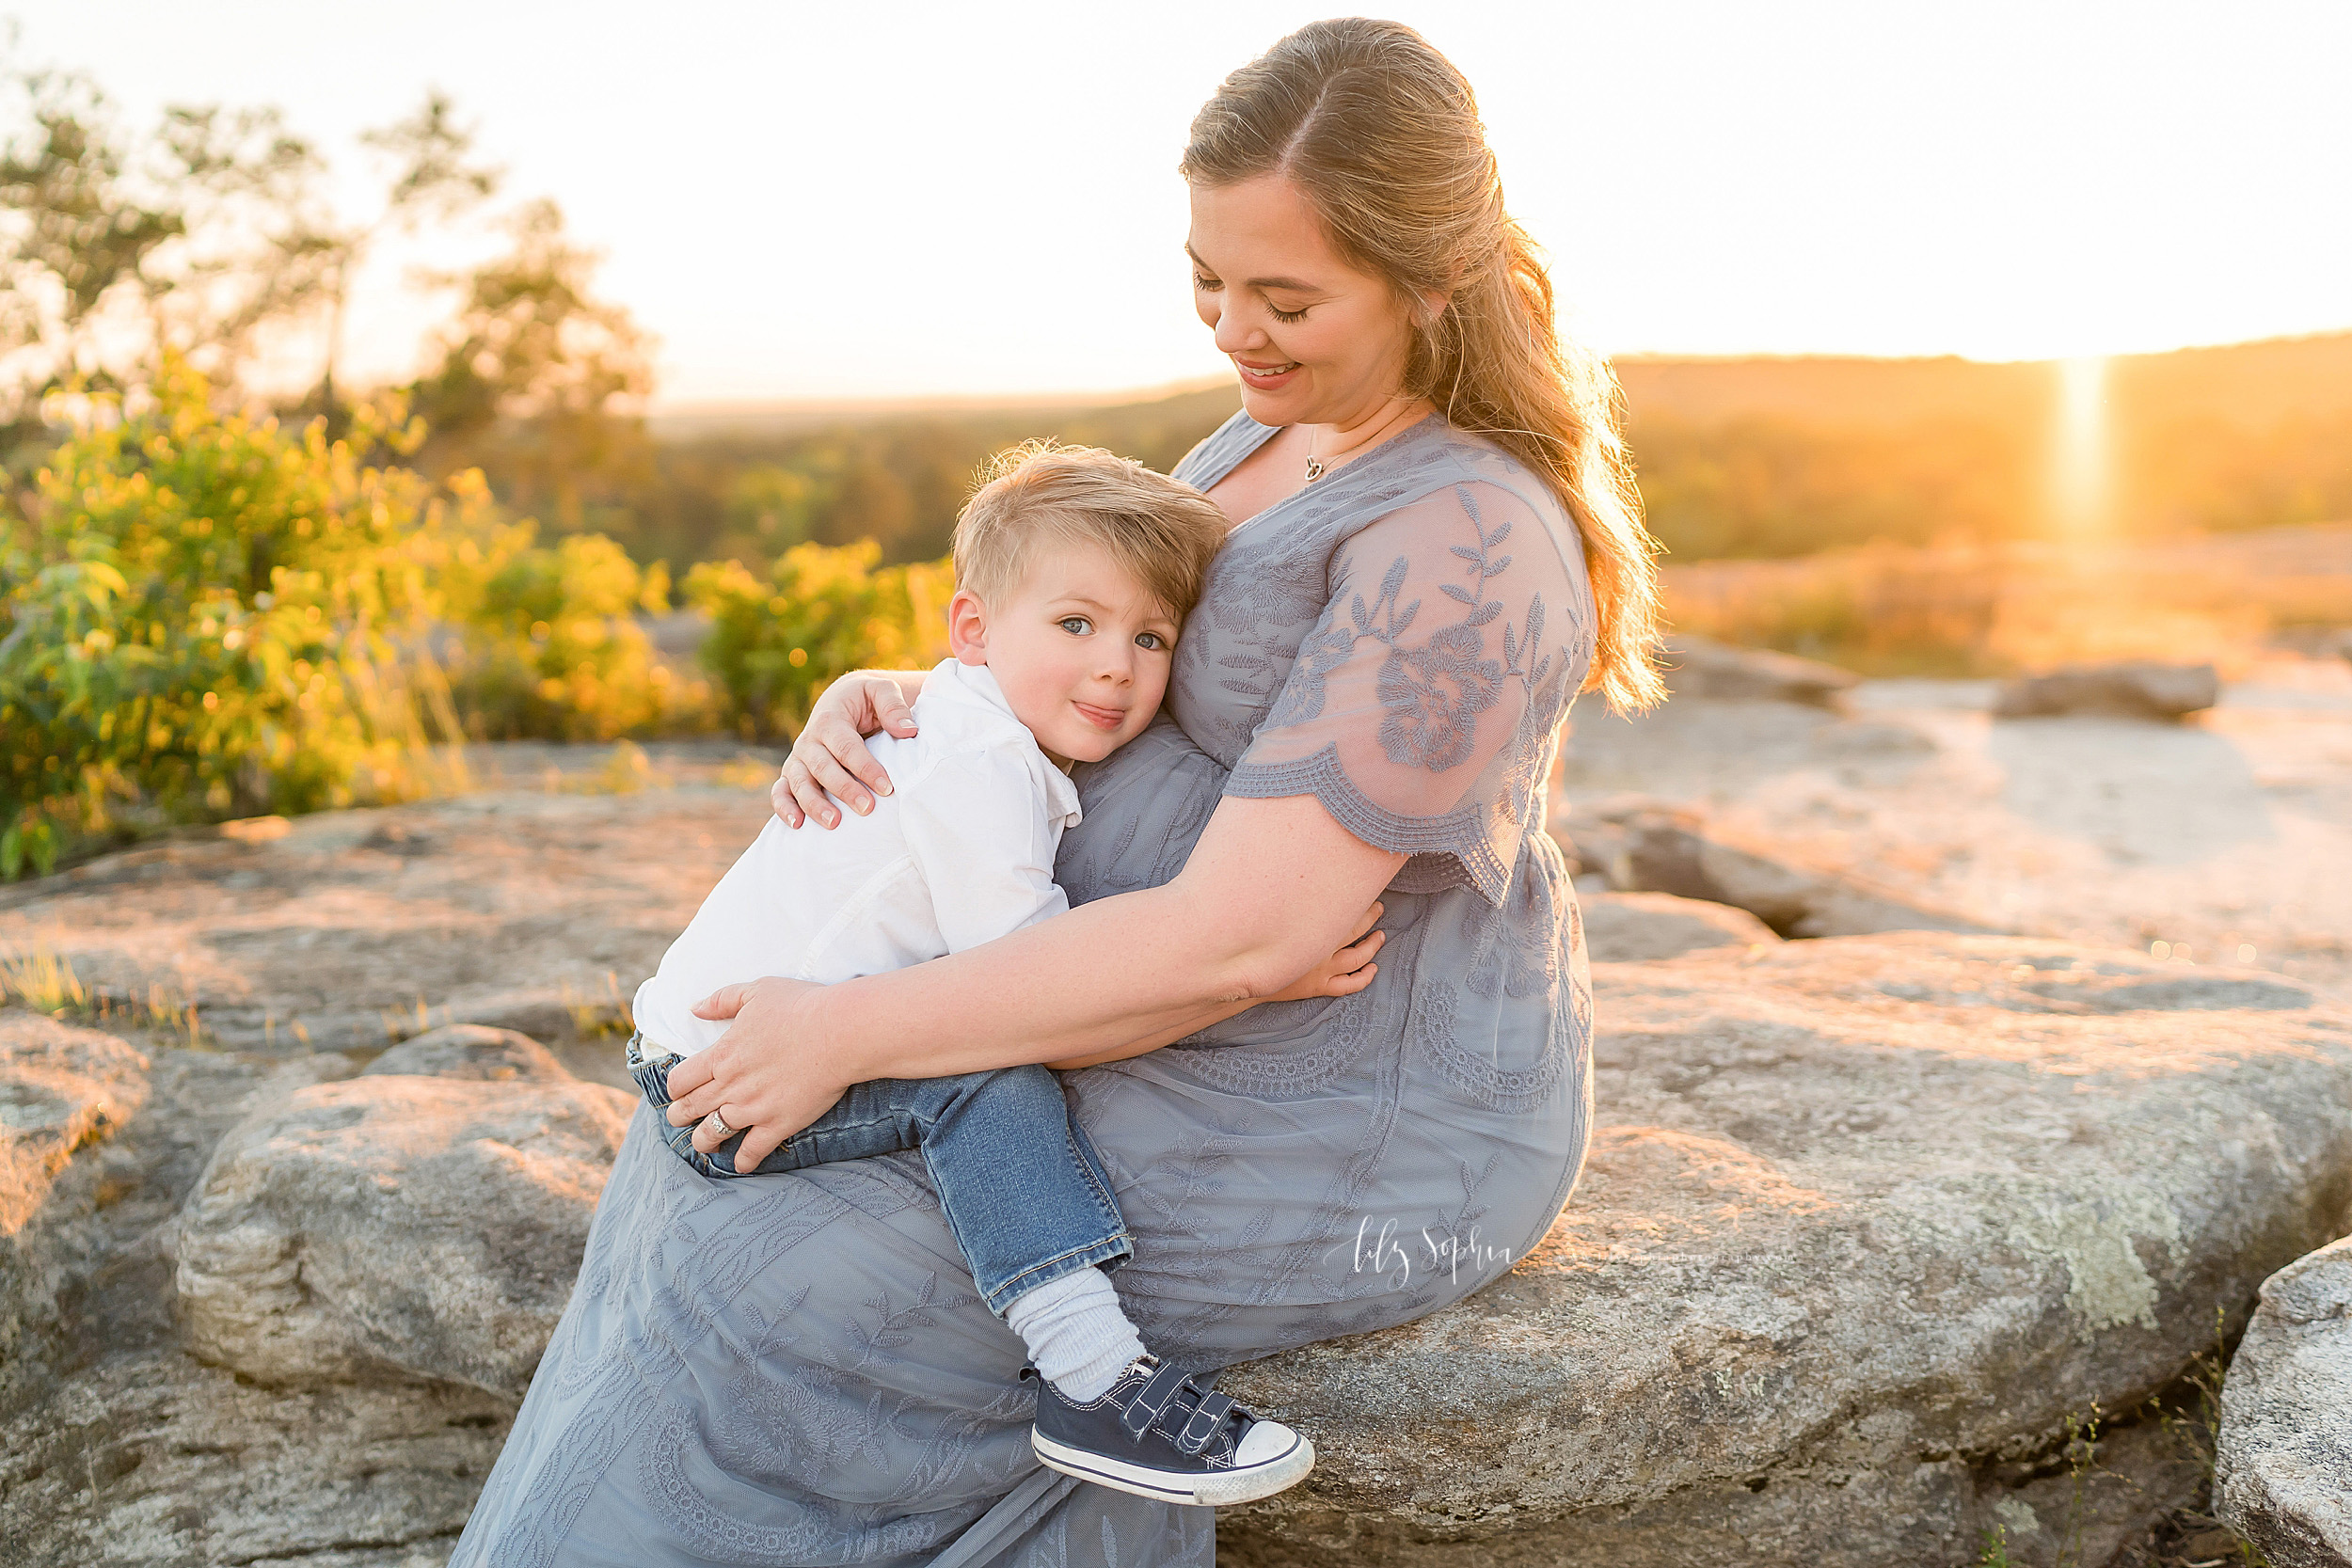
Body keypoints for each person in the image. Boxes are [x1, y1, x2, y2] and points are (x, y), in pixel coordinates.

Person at [454, 19, 1663, 1566]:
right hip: (1146, 1005)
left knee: (791, 1265)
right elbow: (1089, 624)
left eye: (1286, 299)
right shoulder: (1267, 426)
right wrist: (908, 695)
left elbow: (1244, 941)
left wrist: (844, 1029)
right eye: (1209, 285)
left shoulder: (1465, 553)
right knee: (693, 1162)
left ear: (1433, 276)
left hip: (1344, 1101)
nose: (1240, 333)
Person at [621, 442, 1362, 1506]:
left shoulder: (965, 719)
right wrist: (1256, 968)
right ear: (973, 629)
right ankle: (1094, 1378)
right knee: (990, 1082)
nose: (1117, 664)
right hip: (722, 1074)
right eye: (1076, 623)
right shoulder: (978, 768)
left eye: (1150, 636)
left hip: (702, 1029)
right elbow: (1046, 1001)